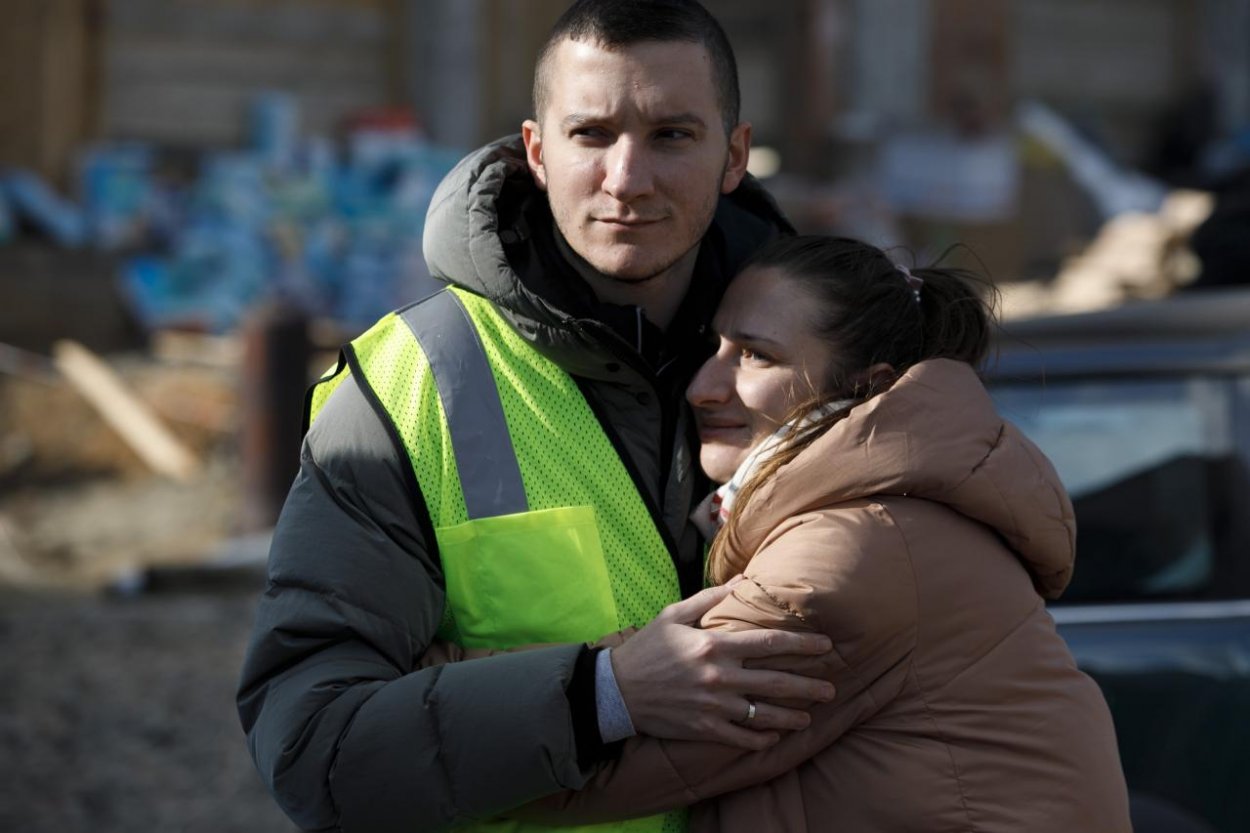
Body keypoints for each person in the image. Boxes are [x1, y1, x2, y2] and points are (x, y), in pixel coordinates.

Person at [236, 2, 837, 832]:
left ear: (735, 155)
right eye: (591, 134)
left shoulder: (832, 361)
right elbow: (311, 745)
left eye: (672, 135)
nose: (628, 178)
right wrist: (602, 696)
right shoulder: (408, 386)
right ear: (536, 151)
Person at [513, 236, 1133, 831]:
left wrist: (425, 683)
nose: (703, 386)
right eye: (717, 346)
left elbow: (600, 770)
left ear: (862, 385)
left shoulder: (855, 552)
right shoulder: (885, 518)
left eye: (755, 355)